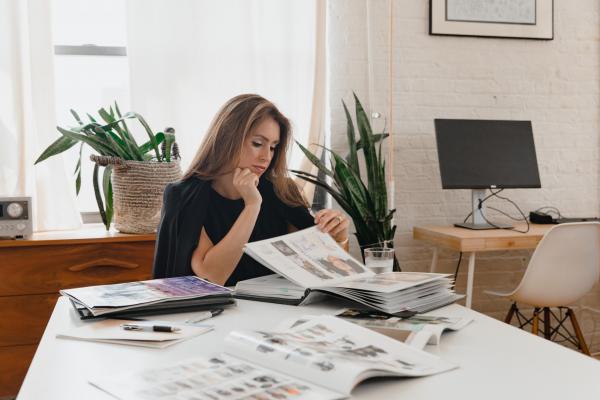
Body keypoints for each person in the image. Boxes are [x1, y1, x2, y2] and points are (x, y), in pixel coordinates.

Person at [152, 94, 350, 286]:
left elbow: (328, 267)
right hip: (216, 307)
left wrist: (338, 236)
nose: (266, 157)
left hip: (279, 305)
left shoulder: (282, 190)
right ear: (227, 138)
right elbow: (213, 276)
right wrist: (252, 205)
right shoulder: (185, 196)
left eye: (273, 147)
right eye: (257, 143)